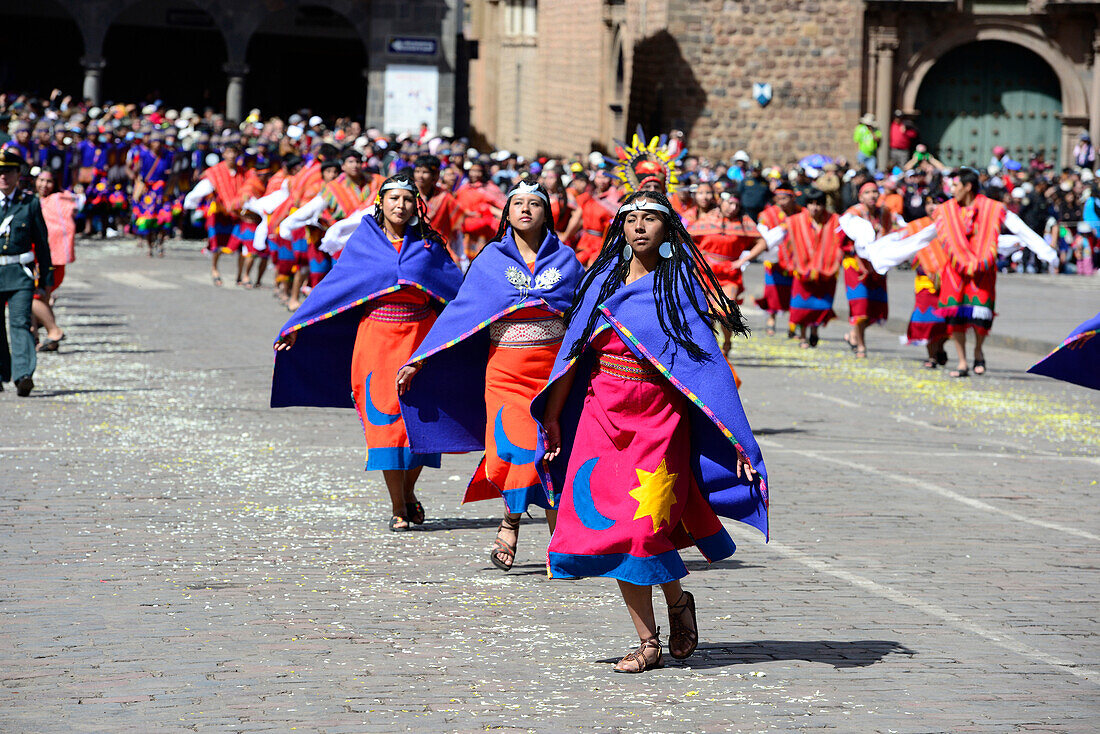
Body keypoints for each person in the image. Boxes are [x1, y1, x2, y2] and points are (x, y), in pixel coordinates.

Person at [533, 190, 768, 673]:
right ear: (620, 228)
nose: (639, 227)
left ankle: (678, 602)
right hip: (602, 416)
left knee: (644, 529)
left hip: (660, 422)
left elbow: (709, 373)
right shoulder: (598, 284)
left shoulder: (677, 290)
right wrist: (553, 418)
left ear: (668, 231)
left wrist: (738, 440)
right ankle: (648, 639)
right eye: (631, 218)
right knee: (619, 531)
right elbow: (572, 358)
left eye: (650, 219)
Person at [396, 180, 583, 569]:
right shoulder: (489, 260)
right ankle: (515, 521)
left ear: (548, 212)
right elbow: (461, 312)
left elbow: (583, 317)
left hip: (552, 373)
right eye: (518, 203)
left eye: (535, 203)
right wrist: (421, 357)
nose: (526, 209)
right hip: (505, 373)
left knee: (549, 452)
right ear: (507, 211)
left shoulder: (567, 260)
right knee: (514, 450)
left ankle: (547, 540)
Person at [271, 171, 463, 530]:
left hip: (420, 340)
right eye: (394, 198)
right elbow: (335, 286)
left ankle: (408, 491)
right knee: (385, 423)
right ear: (381, 202)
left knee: (421, 422)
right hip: (376, 340)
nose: (401, 205)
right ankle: (398, 507)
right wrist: (297, 325)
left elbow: (456, 291)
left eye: (407, 200)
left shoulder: (429, 245)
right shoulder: (364, 241)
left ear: (416, 205)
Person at [0, 149, 52, 396]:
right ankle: (1, 373)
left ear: (18, 174)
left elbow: (42, 242)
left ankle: (23, 375)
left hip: (20, 273)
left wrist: (46, 280)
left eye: (7, 171)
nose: (3, 177)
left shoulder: (29, 203)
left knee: (20, 322)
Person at [770, 189, 846, 348]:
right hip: (802, 270)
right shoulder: (794, 221)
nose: (815, 208)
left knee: (821, 304)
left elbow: (841, 242)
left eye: (818, 204)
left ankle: (815, 330)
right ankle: (803, 335)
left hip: (826, 270)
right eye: (811, 204)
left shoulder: (835, 221)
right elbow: (784, 241)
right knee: (801, 305)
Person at [689, 191, 763, 353]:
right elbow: (686, 239)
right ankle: (713, 348)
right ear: (721, 203)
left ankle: (727, 341)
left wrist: (743, 260)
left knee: (726, 312)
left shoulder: (744, 222)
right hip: (704, 274)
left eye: (737, 204)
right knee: (706, 314)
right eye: (730, 203)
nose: (733, 208)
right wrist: (696, 257)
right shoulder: (707, 219)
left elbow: (762, 242)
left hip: (729, 274)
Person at [838, 181, 897, 358]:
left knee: (876, 309)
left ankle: (854, 334)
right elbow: (842, 240)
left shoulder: (884, 213)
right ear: (860, 197)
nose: (872, 195)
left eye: (875, 192)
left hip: (877, 267)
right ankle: (861, 345)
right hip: (855, 266)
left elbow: (888, 236)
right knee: (861, 306)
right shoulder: (852, 215)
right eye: (868, 192)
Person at [743, 184, 801, 336]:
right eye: (779, 198)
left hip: (796, 259)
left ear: (792, 198)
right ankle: (771, 319)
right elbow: (762, 236)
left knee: (794, 293)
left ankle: (793, 324)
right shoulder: (768, 214)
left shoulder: (801, 213)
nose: (782, 202)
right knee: (773, 293)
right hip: (774, 261)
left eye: (785, 198)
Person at [33, 169, 80, 352]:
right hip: (36, 257)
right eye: (41, 180)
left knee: (33, 296)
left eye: (49, 181)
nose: (44, 185)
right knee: (39, 299)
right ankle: (38, 339)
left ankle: (53, 331)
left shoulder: (60, 199)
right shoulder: (34, 200)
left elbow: (74, 207)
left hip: (52, 259)